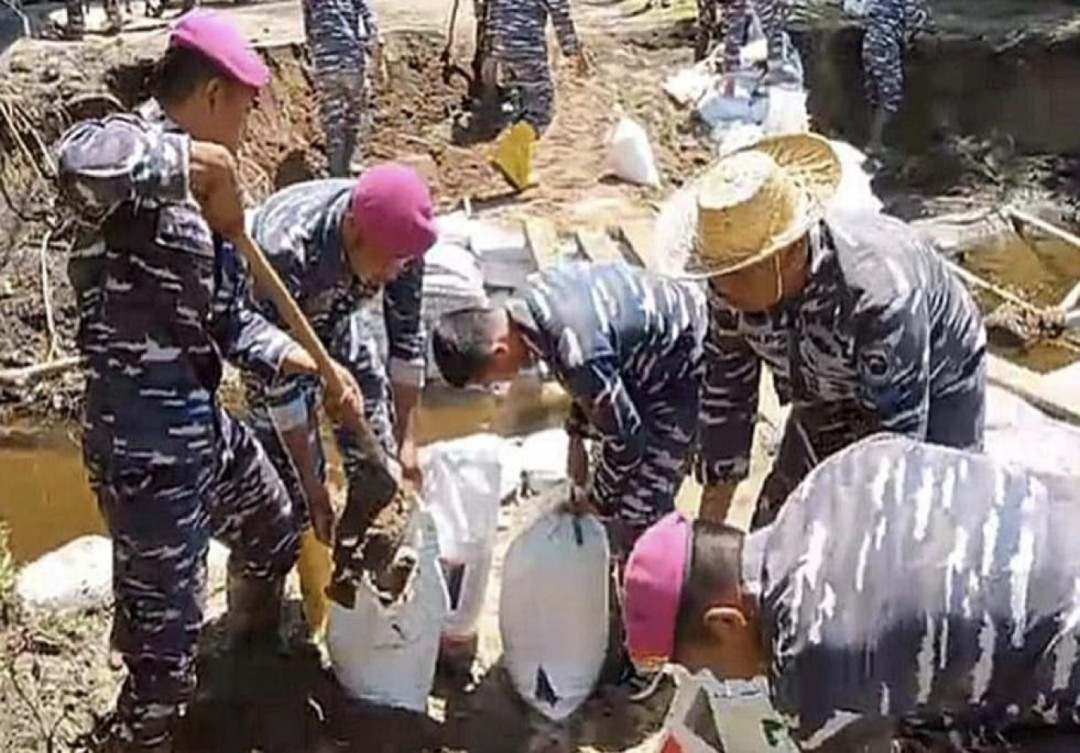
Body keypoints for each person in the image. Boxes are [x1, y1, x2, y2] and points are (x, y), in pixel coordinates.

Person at [54, 11, 365, 751]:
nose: (249, 129)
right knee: (163, 674)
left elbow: (233, 324)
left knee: (273, 530)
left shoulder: (216, 213)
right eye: (250, 109)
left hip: (203, 429)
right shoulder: (126, 145)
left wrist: (314, 366)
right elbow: (72, 162)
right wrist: (193, 166)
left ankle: (246, 666)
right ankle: (138, 733)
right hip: (144, 450)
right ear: (218, 94)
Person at [623, 434, 1080, 751]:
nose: (722, 681)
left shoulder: (807, 666)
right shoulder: (831, 477)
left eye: (705, 668)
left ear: (726, 621)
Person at [654, 132, 986, 531]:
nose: (722, 289)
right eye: (716, 273)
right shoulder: (731, 288)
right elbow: (728, 395)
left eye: (737, 273)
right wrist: (707, 538)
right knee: (778, 531)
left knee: (929, 521)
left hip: (935, 378)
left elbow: (897, 457)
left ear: (787, 252)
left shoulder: (878, 297)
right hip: (825, 383)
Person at [243, 169, 436, 633]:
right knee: (285, 494)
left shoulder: (403, 240)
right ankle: (262, 617)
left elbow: (406, 341)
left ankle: (357, 583)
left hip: (340, 324)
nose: (396, 272)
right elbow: (280, 390)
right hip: (271, 337)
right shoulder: (284, 253)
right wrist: (314, 489)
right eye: (388, 262)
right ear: (352, 229)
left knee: (379, 466)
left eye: (402, 263)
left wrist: (408, 440)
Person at [431, 260, 707, 549]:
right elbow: (589, 382)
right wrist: (576, 437)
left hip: (686, 362)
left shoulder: (575, 351)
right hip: (646, 351)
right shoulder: (530, 300)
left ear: (498, 351)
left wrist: (597, 501)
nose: (496, 388)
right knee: (612, 471)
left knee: (638, 507)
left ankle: (662, 569)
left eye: (488, 380)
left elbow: (627, 442)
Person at [489, 0, 589, 191]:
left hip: (503, 45)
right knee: (542, 110)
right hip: (527, 47)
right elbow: (560, 13)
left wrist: (494, 49)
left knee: (523, 106)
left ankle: (520, 172)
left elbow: (493, 9)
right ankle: (507, 152)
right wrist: (572, 49)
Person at [302, 0, 383, 177]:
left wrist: (313, 53)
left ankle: (337, 170)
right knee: (354, 112)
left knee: (332, 120)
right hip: (351, 59)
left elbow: (308, 28)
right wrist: (373, 48)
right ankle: (351, 160)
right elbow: (369, 19)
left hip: (325, 62)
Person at [859, 0, 932, 153]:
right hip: (885, 44)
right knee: (890, 97)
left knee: (874, 94)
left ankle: (867, 137)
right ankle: (874, 144)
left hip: (869, 42)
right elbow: (919, 17)